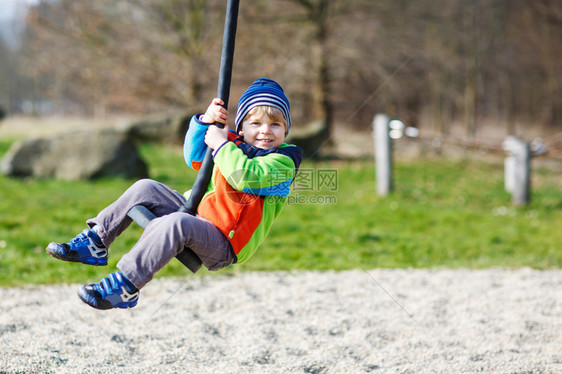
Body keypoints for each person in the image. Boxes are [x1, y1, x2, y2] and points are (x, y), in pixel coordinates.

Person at [46, 78, 303, 310]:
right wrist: (206, 122)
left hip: (225, 242)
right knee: (144, 187)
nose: (265, 130)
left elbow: (246, 176)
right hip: (198, 213)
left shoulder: (283, 163)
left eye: (275, 124)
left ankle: (125, 286)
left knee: (177, 223)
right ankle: (96, 241)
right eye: (255, 123)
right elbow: (193, 156)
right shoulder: (231, 143)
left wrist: (221, 144)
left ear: (286, 129)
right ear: (242, 125)